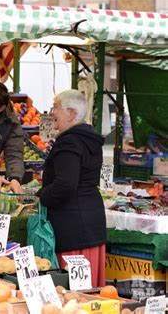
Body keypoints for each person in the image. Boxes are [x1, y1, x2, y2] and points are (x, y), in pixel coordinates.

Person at [36, 89, 106, 288]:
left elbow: (65, 184)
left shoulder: (69, 141)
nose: (52, 113)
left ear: (72, 114)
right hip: (90, 221)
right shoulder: (89, 139)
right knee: (90, 293)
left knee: (73, 293)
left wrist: (42, 196)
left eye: (56, 108)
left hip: (73, 228)